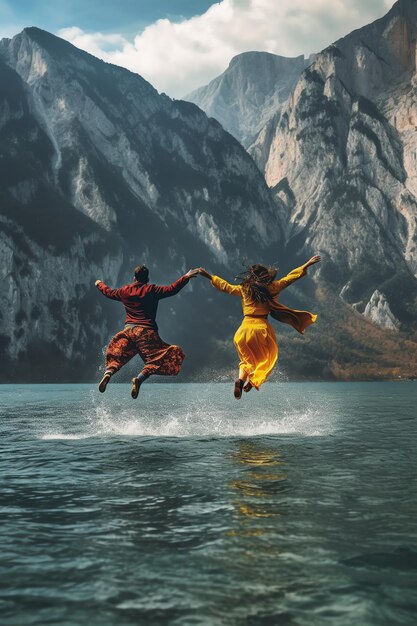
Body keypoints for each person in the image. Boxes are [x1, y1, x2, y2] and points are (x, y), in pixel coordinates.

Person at [197, 256, 320, 398]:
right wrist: (306, 264)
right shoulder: (272, 288)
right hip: (261, 329)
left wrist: (208, 276)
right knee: (268, 357)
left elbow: (226, 287)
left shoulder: (244, 289)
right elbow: (289, 278)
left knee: (246, 360)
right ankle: (254, 380)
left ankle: (241, 380)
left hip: (242, 332)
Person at [95, 265, 199, 398]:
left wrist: (99, 283)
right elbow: (172, 289)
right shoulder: (152, 290)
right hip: (146, 333)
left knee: (116, 355)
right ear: (147, 278)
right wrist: (186, 277)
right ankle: (139, 379)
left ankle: (108, 373)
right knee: (157, 358)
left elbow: (108, 292)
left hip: (128, 332)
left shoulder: (125, 291)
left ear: (134, 278)